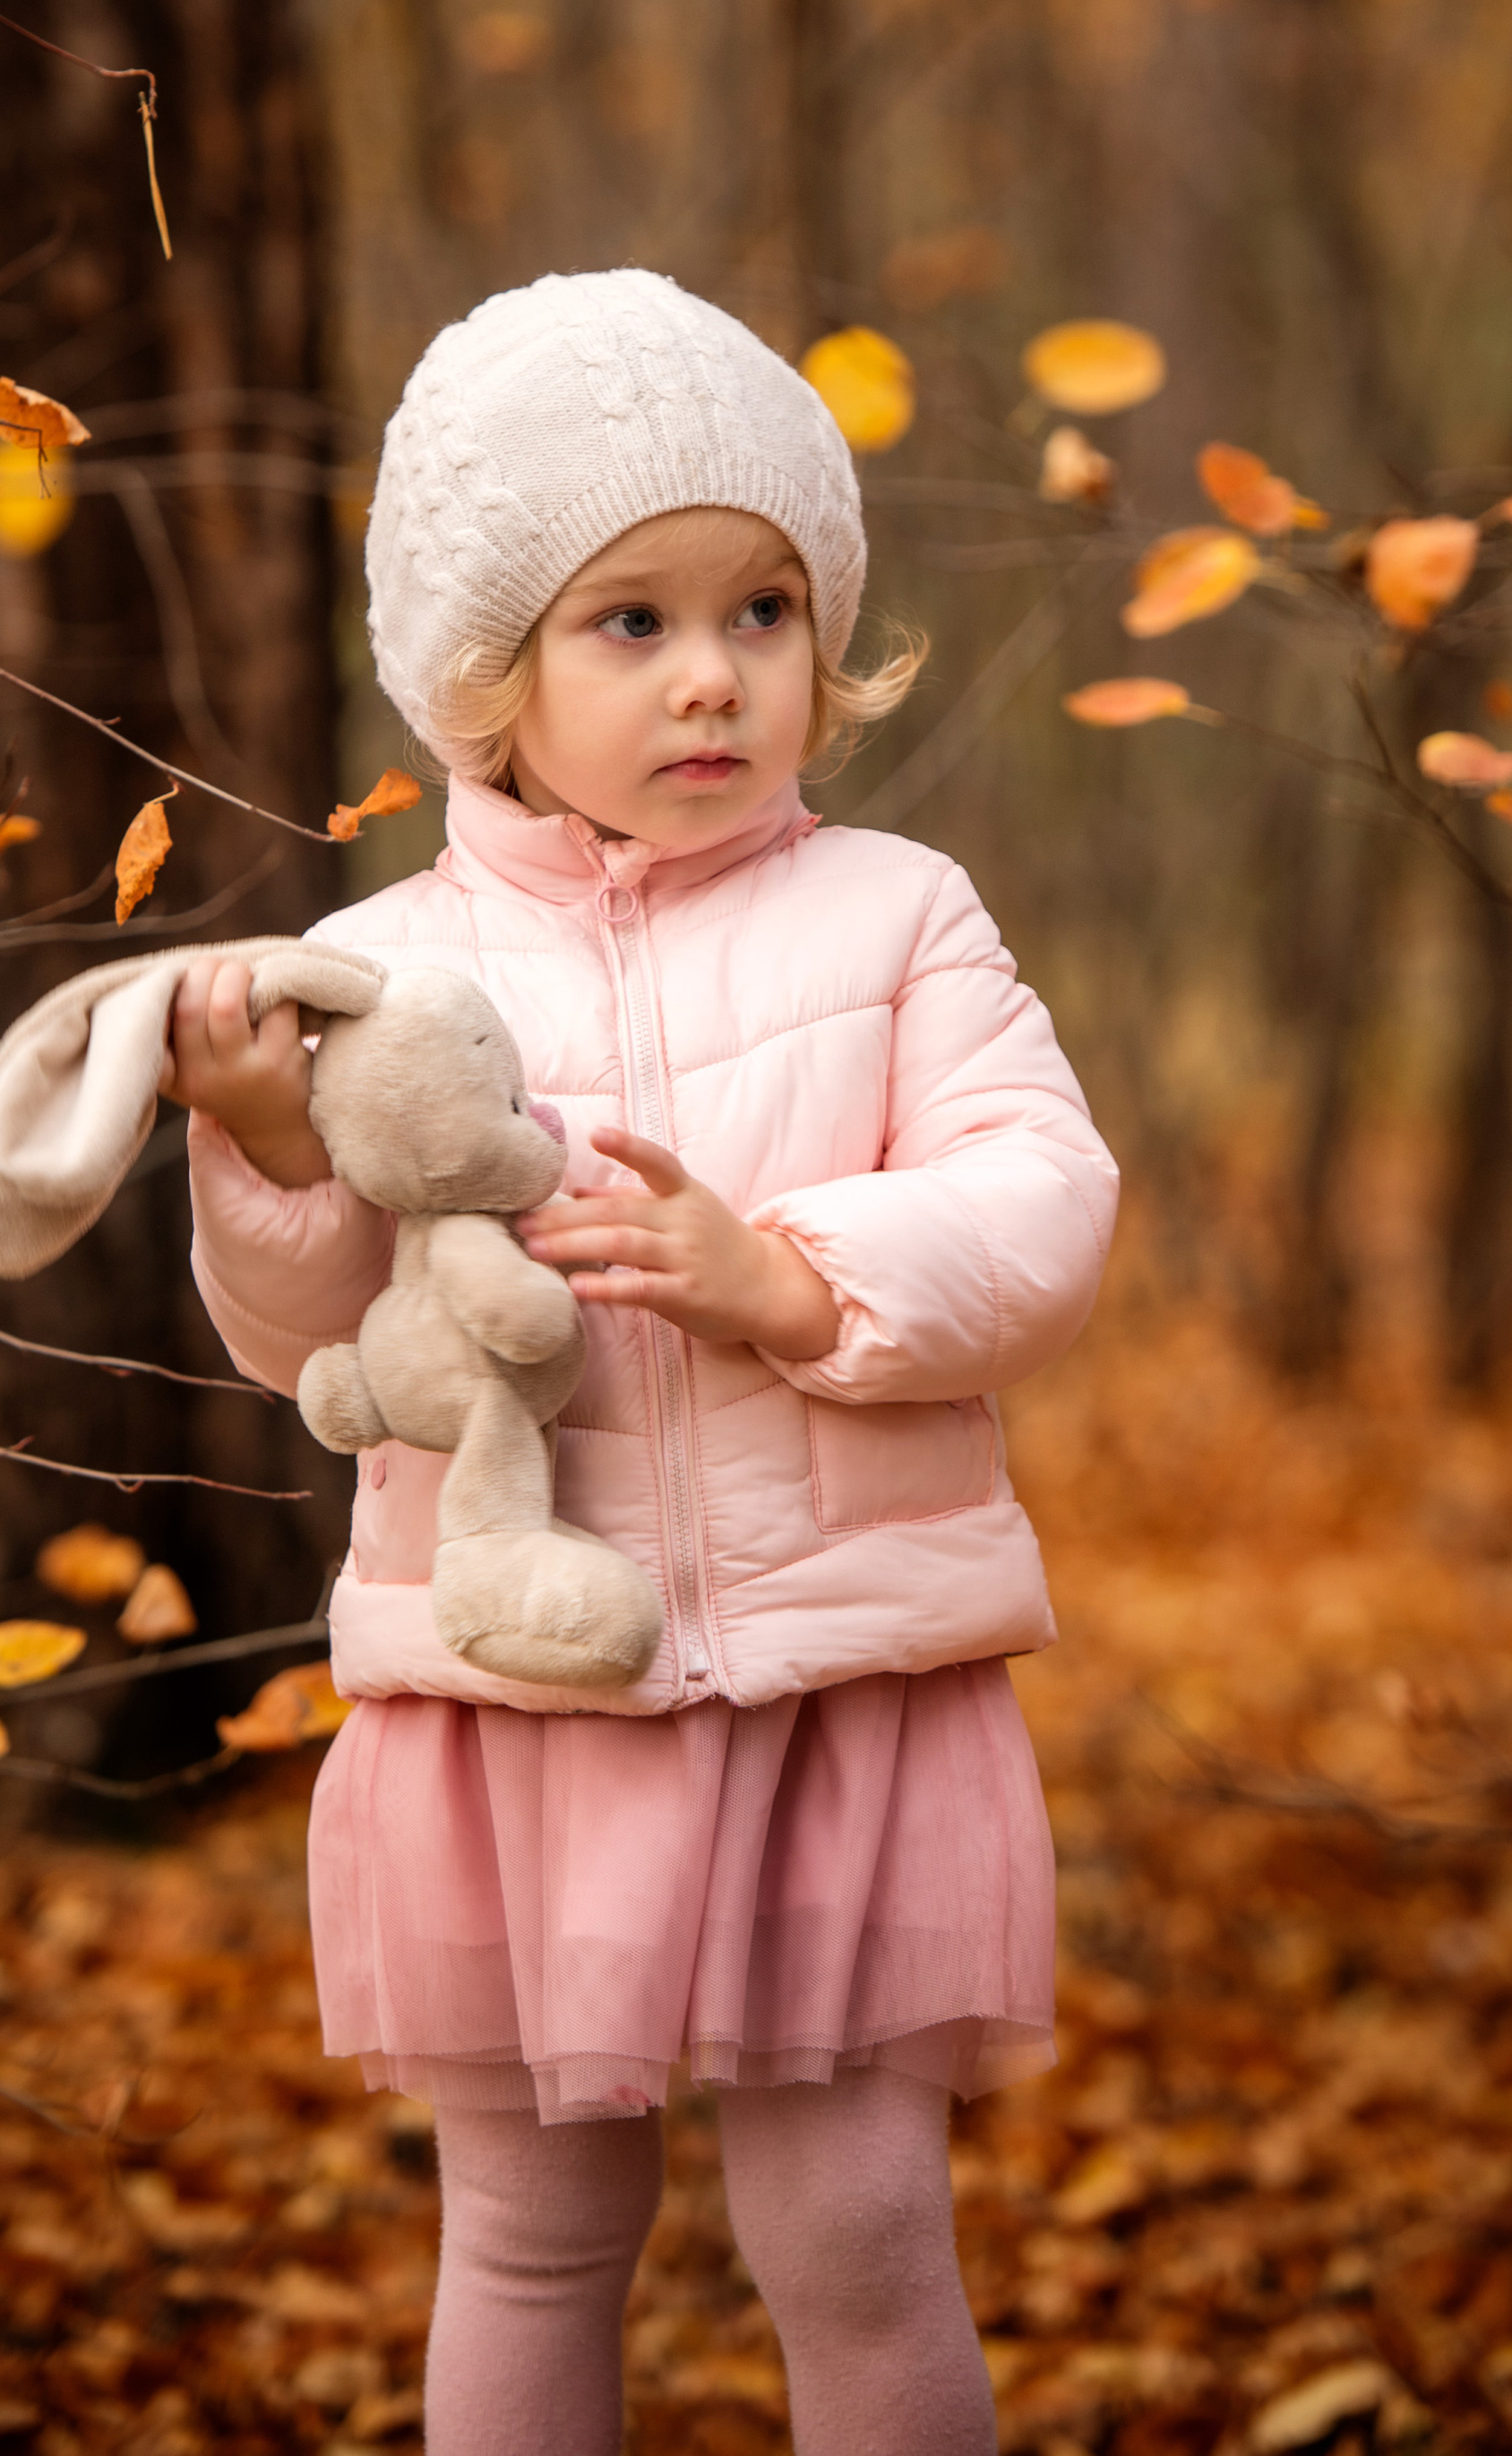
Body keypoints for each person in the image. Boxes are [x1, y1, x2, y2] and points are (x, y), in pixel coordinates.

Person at [167, 270, 1119, 2456]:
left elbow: (1040, 1205)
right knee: (525, 2229)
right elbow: (314, 1339)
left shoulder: (896, 915)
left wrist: (788, 1276)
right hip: (528, 1706)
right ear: (484, 678)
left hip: (831, 1690)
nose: (711, 675)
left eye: (761, 611)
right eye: (630, 624)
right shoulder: (385, 967)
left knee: (860, 2228)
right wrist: (254, 1145)